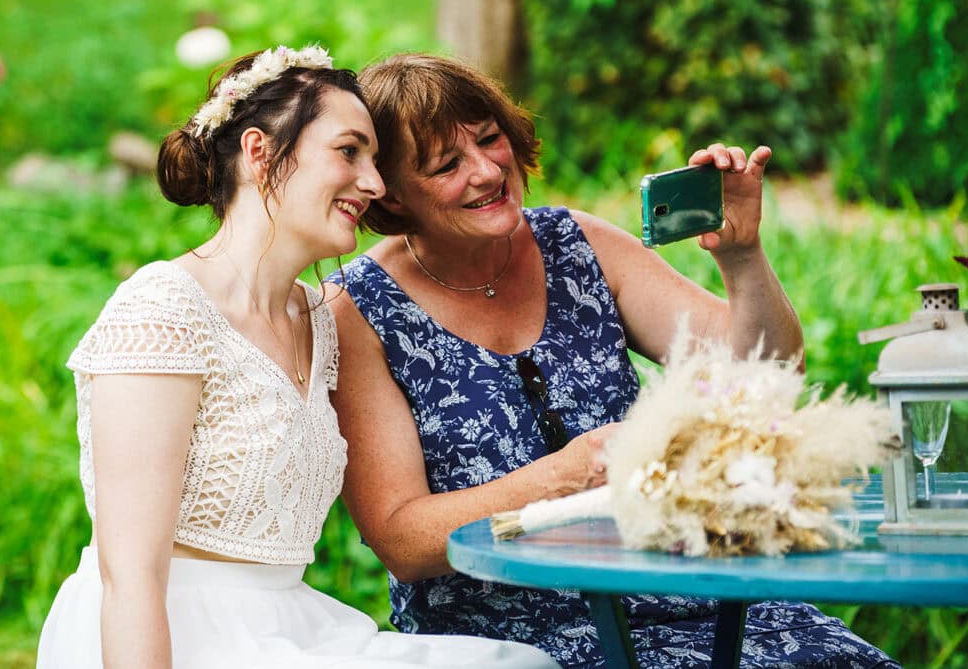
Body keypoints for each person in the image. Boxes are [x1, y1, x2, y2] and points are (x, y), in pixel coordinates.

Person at [327, 53, 899, 669]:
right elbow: (401, 539)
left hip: (689, 597)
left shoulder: (575, 245)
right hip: (509, 638)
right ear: (391, 196)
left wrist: (741, 255)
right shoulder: (358, 311)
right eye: (446, 165)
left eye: (491, 139)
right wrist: (560, 479)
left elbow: (765, 374)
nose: (489, 170)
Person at [37, 46, 558, 669]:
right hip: (175, 633)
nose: (374, 183)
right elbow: (130, 579)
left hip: (291, 624)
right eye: (349, 152)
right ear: (259, 153)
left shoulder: (320, 317)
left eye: (373, 158)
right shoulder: (163, 310)